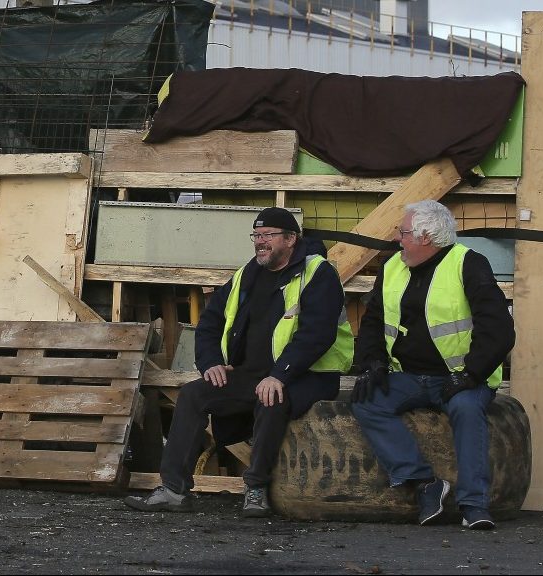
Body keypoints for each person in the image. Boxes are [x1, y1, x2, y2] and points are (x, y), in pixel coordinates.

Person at [125, 207, 354, 517]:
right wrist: (211, 363)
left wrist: (278, 375)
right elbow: (210, 323)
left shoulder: (318, 273)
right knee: (194, 394)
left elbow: (317, 335)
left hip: (307, 375)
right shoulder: (248, 273)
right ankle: (173, 489)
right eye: (256, 236)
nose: (260, 242)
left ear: (291, 239)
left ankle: (256, 488)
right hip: (253, 373)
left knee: (272, 396)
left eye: (268, 236)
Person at [350, 200, 515, 530]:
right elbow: (374, 322)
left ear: (426, 237)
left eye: (404, 232)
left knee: (467, 410)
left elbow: (498, 329)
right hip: (407, 376)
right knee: (366, 401)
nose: (398, 239)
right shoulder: (393, 267)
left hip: (459, 378)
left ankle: (473, 505)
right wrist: (372, 363)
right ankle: (424, 483)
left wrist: (471, 374)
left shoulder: (468, 264)